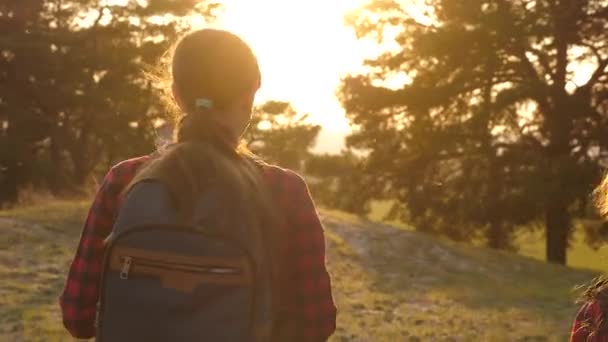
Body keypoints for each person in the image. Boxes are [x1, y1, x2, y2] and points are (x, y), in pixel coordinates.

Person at [59, 28, 337, 341]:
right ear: (249, 97)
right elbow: (316, 324)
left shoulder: (125, 181)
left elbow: (77, 316)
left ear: (175, 94)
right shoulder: (284, 190)